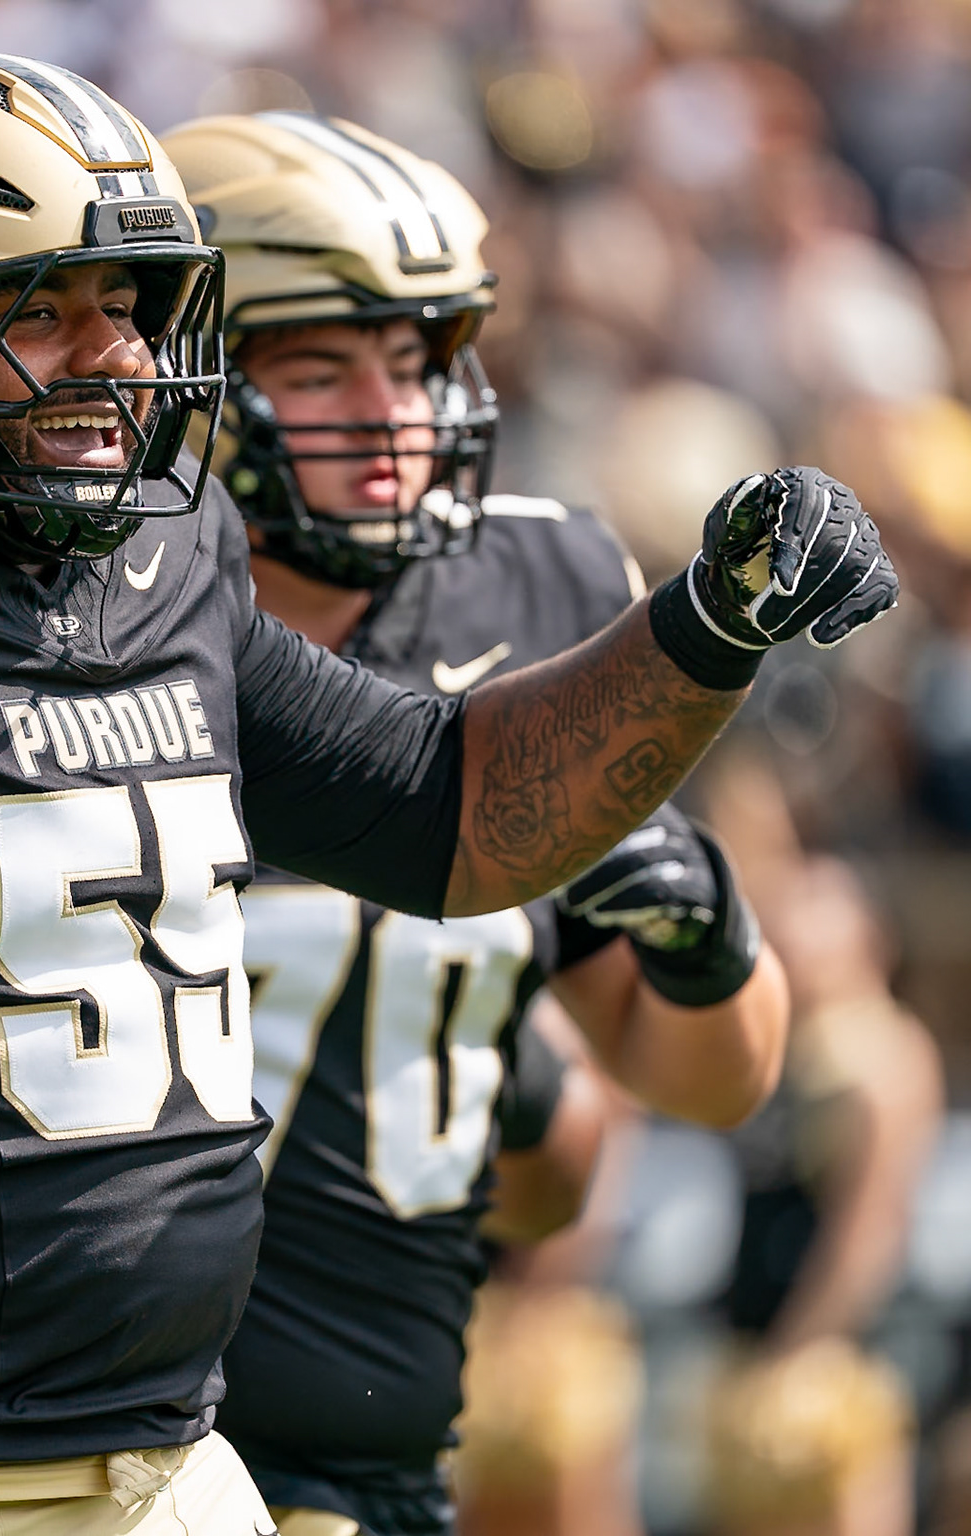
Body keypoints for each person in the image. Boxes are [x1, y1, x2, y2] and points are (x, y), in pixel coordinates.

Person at [0, 54, 894, 1536]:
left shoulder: (164, 548)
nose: (122, 358)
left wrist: (707, 625)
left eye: (136, 307)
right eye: (45, 308)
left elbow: (451, 811)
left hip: (165, 1469)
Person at [159, 111, 793, 1536]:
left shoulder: (544, 582)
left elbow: (707, 1086)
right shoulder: (73, 618)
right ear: (179, 376)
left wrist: (696, 929)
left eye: (418, 359)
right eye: (321, 366)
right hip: (78, 1453)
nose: (393, 417)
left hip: (380, 1456)